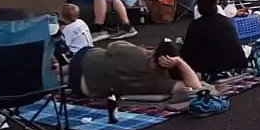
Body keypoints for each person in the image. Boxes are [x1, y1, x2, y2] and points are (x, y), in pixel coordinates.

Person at [70, 39, 207, 100]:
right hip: (83, 87)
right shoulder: (160, 83)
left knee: (65, 68)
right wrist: (180, 63)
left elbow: (113, 46)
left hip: (86, 59)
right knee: (64, 76)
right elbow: (196, 87)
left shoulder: (137, 53)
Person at [178, 0, 249, 79]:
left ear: (199, 7)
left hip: (211, 68)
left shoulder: (196, 25)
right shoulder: (225, 20)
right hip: (236, 64)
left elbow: (187, 52)